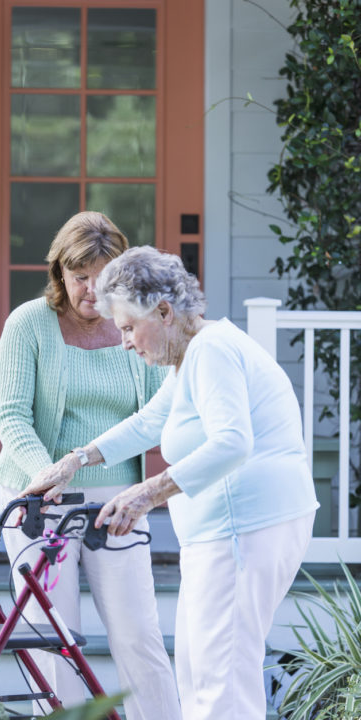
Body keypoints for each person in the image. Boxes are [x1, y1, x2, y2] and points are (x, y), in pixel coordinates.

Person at [18, 245, 320, 720]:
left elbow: (233, 442)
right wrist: (75, 460)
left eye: (128, 327)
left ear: (162, 311)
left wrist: (146, 493)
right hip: (222, 533)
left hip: (246, 527)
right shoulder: (190, 355)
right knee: (202, 672)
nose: (124, 343)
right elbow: (148, 423)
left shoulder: (213, 351)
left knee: (222, 678)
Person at [0, 213, 181, 720]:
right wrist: (47, 475)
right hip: (40, 503)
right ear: (60, 274)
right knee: (52, 639)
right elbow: (11, 417)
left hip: (117, 506)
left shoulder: (135, 329)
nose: (92, 290)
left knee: (139, 634)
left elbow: (153, 417)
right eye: (80, 277)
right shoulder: (28, 324)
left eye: (103, 277)